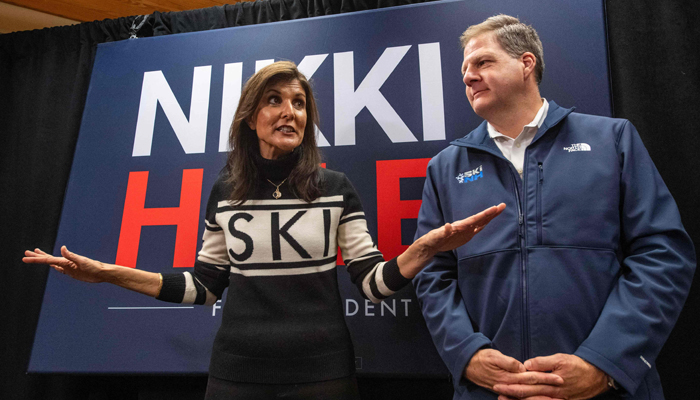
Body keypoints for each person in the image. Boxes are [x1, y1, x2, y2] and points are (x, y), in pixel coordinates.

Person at [24, 61, 505, 399]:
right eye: (274, 100)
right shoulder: (225, 192)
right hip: (236, 375)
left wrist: (425, 248)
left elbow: (372, 283)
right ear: (251, 117)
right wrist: (109, 274)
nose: (289, 112)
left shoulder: (334, 187)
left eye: (299, 103)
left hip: (324, 374)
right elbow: (203, 287)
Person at [412, 15, 696, 400]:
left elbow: (662, 256)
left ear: (526, 64)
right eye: (464, 68)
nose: (468, 76)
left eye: (483, 62)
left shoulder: (612, 140)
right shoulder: (445, 168)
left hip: (605, 389)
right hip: (493, 391)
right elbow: (432, 273)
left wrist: (604, 363)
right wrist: (467, 355)